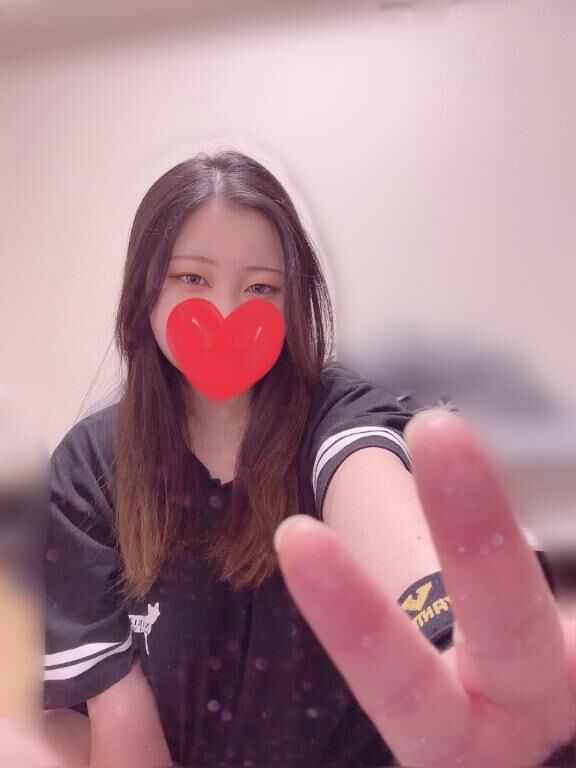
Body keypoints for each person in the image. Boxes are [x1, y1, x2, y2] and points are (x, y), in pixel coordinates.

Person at [2, 151, 573, 767]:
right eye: (192, 278)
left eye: (261, 288)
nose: (225, 313)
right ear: (145, 289)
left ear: (293, 301)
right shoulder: (92, 465)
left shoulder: (338, 416)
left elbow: (376, 496)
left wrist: (451, 634)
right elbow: (121, 720)